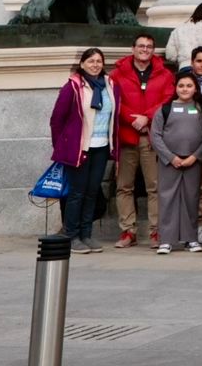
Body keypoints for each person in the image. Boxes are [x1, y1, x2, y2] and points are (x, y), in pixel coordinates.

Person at [107, 34, 173, 249]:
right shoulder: (117, 74)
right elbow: (114, 101)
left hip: (152, 136)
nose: (145, 49)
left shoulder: (164, 74)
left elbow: (168, 99)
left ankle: (156, 232)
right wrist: (132, 119)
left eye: (149, 47)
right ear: (133, 48)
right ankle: (128, 231)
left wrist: (147, 117)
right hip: (127, 136)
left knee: (154, 186)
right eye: (141, 46)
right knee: (124, 186)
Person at [49, 48, 117, 252]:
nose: (95, 64)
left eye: (99, 61)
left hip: (102, 146)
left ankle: (86, 234)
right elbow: (56, 120)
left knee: (92, 191)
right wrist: (63, 146)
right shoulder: (73, 86)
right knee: (77, 193)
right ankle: (71, 235)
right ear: (82, 63)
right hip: (79, 148)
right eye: (91, 61)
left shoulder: (110, 86)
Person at [149, 73, 202, 255]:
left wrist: (195, 156)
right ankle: (166, 239)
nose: (185, 89)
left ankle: (191, 238)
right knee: (167, 198)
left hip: (193, 161)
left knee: (191, 198)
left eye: (189, 86)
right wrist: (170, 157)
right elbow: (155, 135)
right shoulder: (165, 109)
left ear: (195, 88)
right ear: (175, 88)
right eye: (181, 85)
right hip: (169, 161)